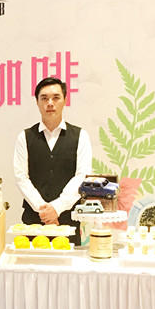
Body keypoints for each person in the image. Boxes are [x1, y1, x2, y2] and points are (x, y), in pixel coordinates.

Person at [13, 77, 92, 243]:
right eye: (44, 98)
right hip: (33, 221)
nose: (50, 103)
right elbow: (21, 177)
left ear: (65, 100)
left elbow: (82, 175)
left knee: (68, 258)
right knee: (32, 259)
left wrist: (57, 208)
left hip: (68, 220)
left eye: (56, 97)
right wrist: (44, 211)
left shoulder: (80, 136)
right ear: (37, 102)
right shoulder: (25, 137)